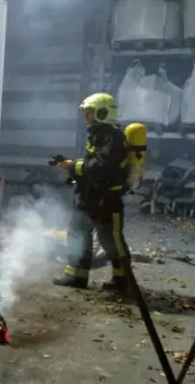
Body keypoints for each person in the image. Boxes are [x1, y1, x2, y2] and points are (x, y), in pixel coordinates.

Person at [53, 92, 131, 291]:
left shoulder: (114, 137)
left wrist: (73, 167)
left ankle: (123, 280)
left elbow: (99, 168)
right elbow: (92, 165)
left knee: (111, 239)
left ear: (103, 113)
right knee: (78, 234)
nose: (86, 116)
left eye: (90, 112)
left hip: (106, 199)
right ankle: (77, 277)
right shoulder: (98, 134)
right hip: (90, 197)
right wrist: (71, 168)